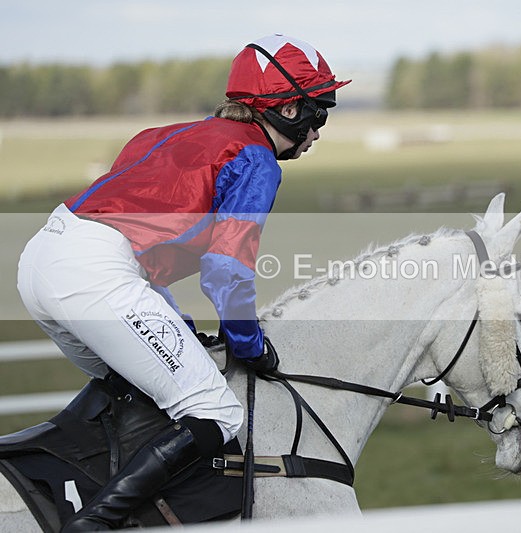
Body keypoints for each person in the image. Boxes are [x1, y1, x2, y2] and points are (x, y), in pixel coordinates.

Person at [16, 34, 349, 531]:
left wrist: (181, 327)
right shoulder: (255, 160)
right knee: (216, 412)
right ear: (288, 110)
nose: (318, 131)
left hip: (43, 257)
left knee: (143, 392)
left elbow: (136, 250)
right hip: (95, 275)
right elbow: (226, 270)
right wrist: (250, 344)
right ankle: (94, 523)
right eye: (318, 113)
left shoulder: (161, 134)